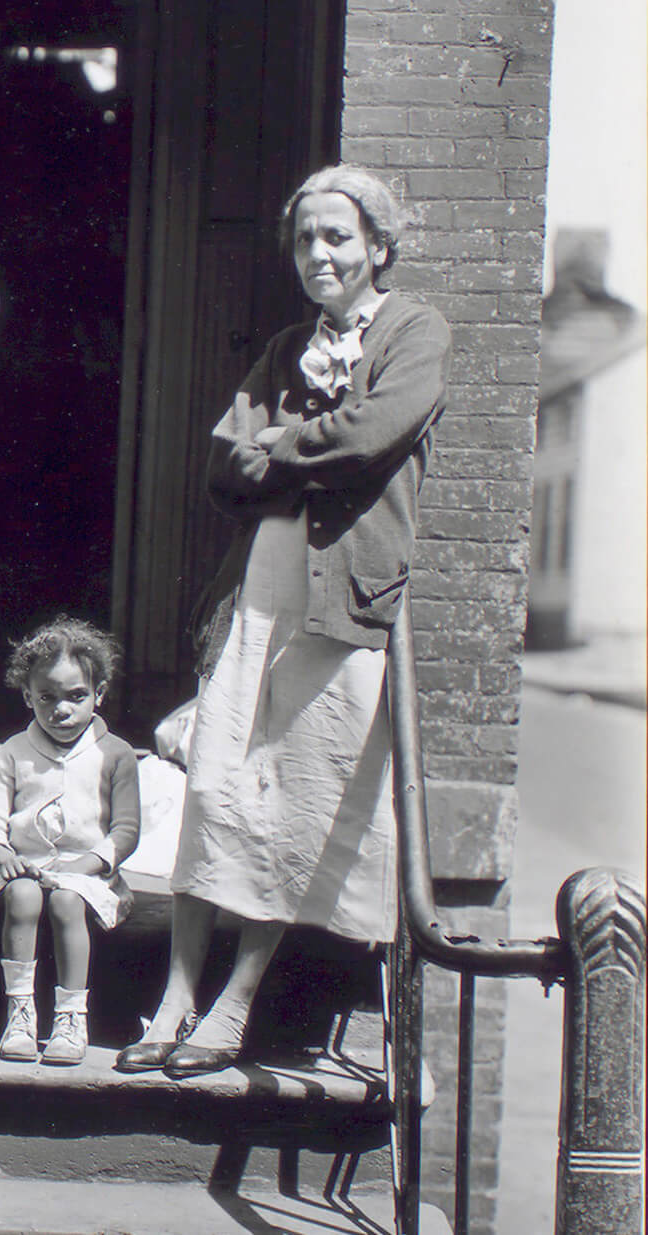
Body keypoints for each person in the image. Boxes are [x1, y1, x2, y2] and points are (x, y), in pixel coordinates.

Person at [117, 165, 451, 1077]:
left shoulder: (415, 331)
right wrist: (292, 452)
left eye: (338, 236)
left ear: (380, 247)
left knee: (291, 794)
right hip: (258, 585)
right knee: (219, 781)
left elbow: (372, 435)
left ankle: (234, 1006)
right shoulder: (282, 350)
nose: (319, 254)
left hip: (343, 597)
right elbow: (227, 469)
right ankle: (174, 999)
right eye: (305, 239)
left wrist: (282, 446)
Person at [0, 617, 140, 1066]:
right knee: (24, 896)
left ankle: (70, 1017)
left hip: (86, 874)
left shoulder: (116, 754)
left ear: (99, 693)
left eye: (76, 696)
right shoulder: (13, 751)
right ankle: (20, 1012)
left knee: (66, 901)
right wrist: (1, 853)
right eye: (46, 697)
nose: (60, 710)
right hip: (24, 867)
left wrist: (87, 865)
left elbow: (126, 830)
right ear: (28, 696)